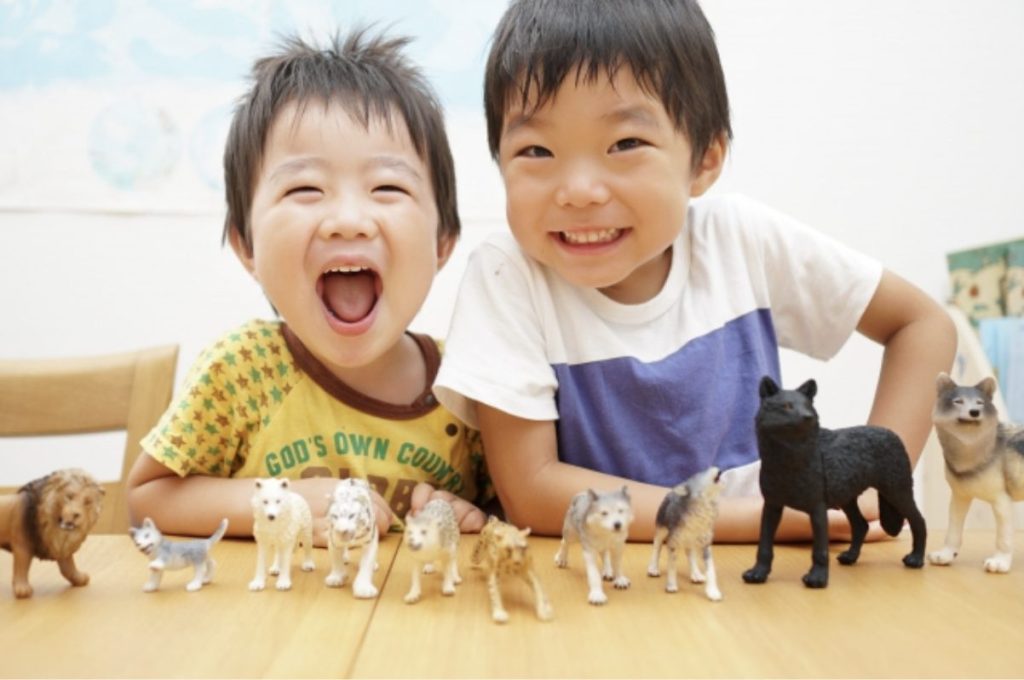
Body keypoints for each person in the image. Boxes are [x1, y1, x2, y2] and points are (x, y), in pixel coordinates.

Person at [433, 0, 956, 541]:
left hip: (764, 576)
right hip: (607, 576)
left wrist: (869, 486)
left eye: (625, 144)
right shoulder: (508, 277)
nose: (579, 191)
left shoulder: (741, 240)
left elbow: (922, 325)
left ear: (705, 158)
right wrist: (769, 518)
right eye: (537, 150)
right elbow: (531, 492)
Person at [127, 29, 490, 543]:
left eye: (387, 187)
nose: (348, 220)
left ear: (443, 242)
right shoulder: (242, 372)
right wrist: (279, 503)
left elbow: (512, 515)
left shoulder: (470, 384)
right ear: (247, 246)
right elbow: (148, 499)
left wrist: (467, 514)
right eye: (305, 189)